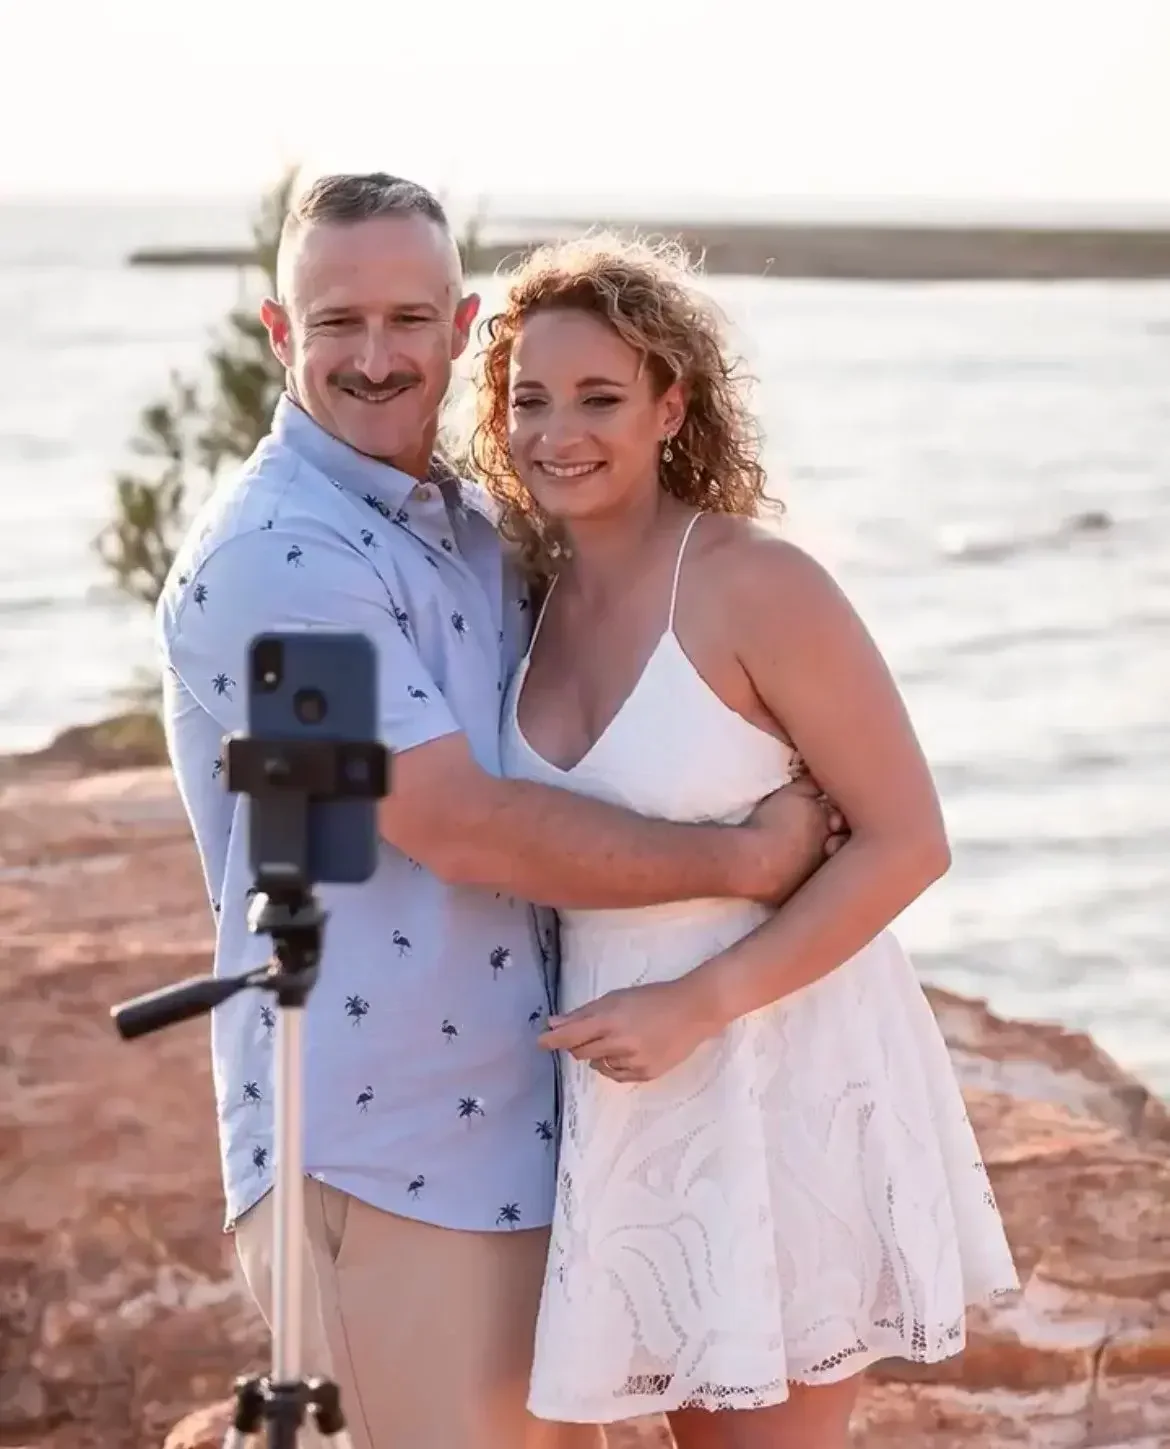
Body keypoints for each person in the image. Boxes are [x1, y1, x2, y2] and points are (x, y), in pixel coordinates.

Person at [155, 174, 845, 1449]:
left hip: (543, 1128)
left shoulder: (476, 526)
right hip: (378, 1148)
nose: (375, 357)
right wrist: (748, 857)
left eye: (409, 318)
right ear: (275, 331)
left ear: (463, 325)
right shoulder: (276, 558)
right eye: (337, 322)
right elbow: (453, 820)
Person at [473, 233, 1020, 1449]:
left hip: (775, 1074)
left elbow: (906, 841)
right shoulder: (527, 592)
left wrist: (701, 1002)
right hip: (620, 1099)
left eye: (601, 398)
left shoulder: (753, 582)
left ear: (673, 406)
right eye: (530, 399)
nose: (559, 430)